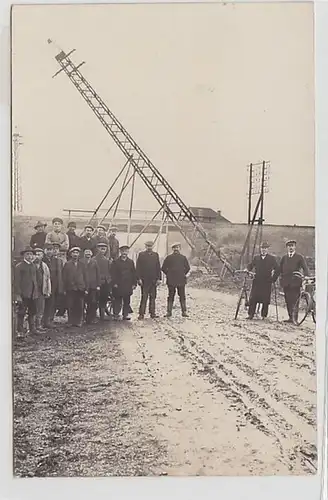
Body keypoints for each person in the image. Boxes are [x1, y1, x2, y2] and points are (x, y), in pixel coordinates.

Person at [246, 242, 279, 320]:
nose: (263, 250)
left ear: (267, 249)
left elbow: (277, 269)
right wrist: (247, 269)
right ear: (260, 249)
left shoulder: (272, 258)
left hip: (267, 281)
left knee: (265, 299)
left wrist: (273, 279)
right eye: (262, 248)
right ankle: (251, 314)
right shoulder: (256, 257)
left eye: (265, 248)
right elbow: (250, 265)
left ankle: (264, 315)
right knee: (253, 297)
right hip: (257, 280)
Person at [279, 239, 310, 323]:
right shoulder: (284, 258)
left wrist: (306, 277)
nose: (291, 248)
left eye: (292, 246)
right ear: (287, 248)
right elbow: (280, 269)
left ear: (295, 247)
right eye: (289, 246)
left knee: (295, 300)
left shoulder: (299, 257)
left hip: (295, 282)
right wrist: (275, 276)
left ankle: (294, 319)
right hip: (286, 282)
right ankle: (290, 317)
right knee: (288, 300)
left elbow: (305, 268)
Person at [161, 242, 190, 318]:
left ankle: (184, 312)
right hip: (171, 280)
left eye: (177, 247)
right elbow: (163, 268)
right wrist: (169, 274)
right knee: (170, 296)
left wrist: (183, 274)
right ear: (172, 249)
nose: (176, 249)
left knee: (182, 296)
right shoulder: (169, 258)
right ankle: (169, 312)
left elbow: (187, 268)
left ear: (179, 248)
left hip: (181, 280)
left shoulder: (183, 258)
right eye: (174, 248)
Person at [14, 247, 39, 334]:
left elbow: (35, 280)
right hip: (24, 294)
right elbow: (16, 282)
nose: (29, 256)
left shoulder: (33, 266)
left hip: (33, 294)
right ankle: (20, 331)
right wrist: (18, 295)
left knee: (32, 312)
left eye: (31, 254)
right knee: (21, 313)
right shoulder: (19, 266)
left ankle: (32, 329)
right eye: (27, 254)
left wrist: (36, 292)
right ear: (24, 255)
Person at [62, 247, 88, 327]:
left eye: (77, 253)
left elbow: (86, 277)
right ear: (71, 254)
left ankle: (79, 321)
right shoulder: (67, 264)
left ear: (79, 254)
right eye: (74, 253)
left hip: (80, 288)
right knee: (70, 305)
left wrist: (86, 288)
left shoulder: (82, 265)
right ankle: (70, 321)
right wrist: (64, 289)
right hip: (70, 288)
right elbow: (64, 277)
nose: (75, 255)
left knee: (80, 305)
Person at [136, 240, 161, 319]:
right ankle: (141, 314)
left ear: (153, 246)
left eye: (150, 246)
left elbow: (158, 267)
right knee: (144, 297)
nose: (149, 247)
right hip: (144, 280)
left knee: (153, 297)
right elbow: (138, 268)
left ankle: (152, 313)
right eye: (148, 246)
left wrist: (159, 279)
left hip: (153, 280)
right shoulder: (141, 255)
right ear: (145, 246)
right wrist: (139, 278)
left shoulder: (155, 255)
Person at [111, 245, 137, 320]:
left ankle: (125, 315)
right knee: (117, 300)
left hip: (127, 284)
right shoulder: (115, 262)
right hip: (118, 284)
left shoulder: (130, 262)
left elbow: (134, 273)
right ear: (120, 252)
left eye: (126, 251)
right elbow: (113, 273)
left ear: (128, 252)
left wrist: (134, 283)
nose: (124, 253)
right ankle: (116, 314)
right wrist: (114, 283)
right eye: (123, 251)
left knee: (127, 300)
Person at [42, 243, 64, 328]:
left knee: (52, 303)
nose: (49, 251)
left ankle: (49, 320)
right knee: (43, 303)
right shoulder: (42, 260)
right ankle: (42, 321)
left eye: (51, 249)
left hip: (54, 285)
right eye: (47, 249)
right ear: (44, 251)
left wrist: (60, 286)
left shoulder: (58, 261)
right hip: (44, 284)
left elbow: (60, 274)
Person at [33, 248, 52, 331]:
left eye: (39, 254)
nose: (37, 256)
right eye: (36, 254)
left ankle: (38, 325)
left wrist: (48, 291)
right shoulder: (31, 265)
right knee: (32, 309)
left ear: (42, 256)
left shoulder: (44, 266)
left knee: (40, 309)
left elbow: (48, 279)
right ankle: (31, 327)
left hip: (41, 290)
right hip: (32, 291)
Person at [81, 248, 101, 324]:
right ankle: (82, 317)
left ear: (92, 254)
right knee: (82, 302)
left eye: (89, 252)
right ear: (84, 254)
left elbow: (98, 274)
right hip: (83, 285)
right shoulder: (81, 261)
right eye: (86, 252)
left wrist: (98, 285)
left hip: (93, 285)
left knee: (92, 302)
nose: (88, 254)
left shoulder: (94, 262)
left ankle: (90, 318)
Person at [93, 242, 112, 320]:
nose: (103, 250)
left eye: (104, 249)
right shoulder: (93, 260)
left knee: (103, 299)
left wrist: (109, 280)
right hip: (96, 283)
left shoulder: (107, 260)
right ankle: (93, 316)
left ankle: (102, 316)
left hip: (105, 283)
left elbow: (109, 272)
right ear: (98, 249)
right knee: (94, 300)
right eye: (101, 248)